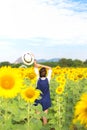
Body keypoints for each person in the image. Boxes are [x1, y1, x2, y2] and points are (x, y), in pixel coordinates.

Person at [34, 59, 52, 125]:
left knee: (37, 118)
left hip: (38, 100)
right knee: (45, 118)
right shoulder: (48, 79)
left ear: (39, 73)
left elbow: (35, 67)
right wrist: (40, 65)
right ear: (46, 73)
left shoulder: (37, 79)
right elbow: (50, 68)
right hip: (46, 100)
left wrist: (35, 62)